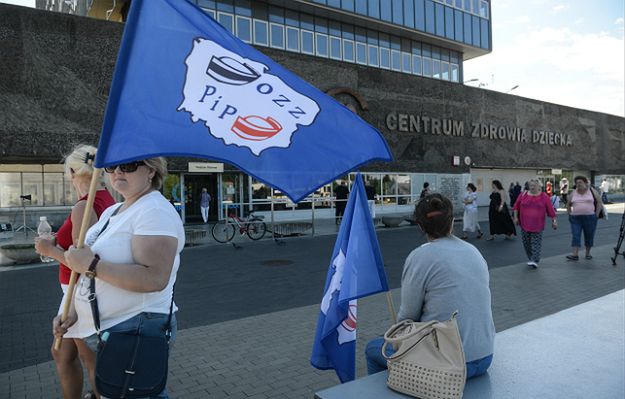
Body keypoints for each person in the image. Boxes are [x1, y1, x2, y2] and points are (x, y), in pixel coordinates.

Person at [55, 157, 185, 399]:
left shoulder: (154, 210)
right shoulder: (116, 210)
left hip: (136, 327)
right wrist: (72, 309)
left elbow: (154, 278)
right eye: (111, 166)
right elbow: (86, 270)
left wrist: (91, 264)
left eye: (128, 166)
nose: (116, 172)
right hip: (112, 328)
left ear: (151, 170)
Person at [365, 194, 495, 378]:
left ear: (420, 225)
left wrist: (394, 339)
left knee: (373, 348)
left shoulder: (420, 257)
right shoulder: (473, 251)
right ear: (451, 222)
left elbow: (407, 318)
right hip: (484, 356)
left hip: (448, 365)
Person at [34, 144, 115, 399]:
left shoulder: (83, 206)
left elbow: (86, 263)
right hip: (79, 289)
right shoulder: (108, 201)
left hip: (79, 290)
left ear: (72, 172)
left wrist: (49, 250)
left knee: (90, 359)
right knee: (62, 352)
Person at [512, 178, 557, 269]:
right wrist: (515, 217)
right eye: (531, 185)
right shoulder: (523, 194)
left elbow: (551, 211)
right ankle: (531, 258)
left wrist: (554, 221)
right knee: (526, 243)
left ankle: (534, 260)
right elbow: (516, 206)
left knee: (535, 243)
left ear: (539, 186)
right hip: (524, 224)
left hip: (537, 225)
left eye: (534, 185)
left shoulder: (544, 197)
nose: (532, 187)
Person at [566, 175, 604, 261]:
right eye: (577, 183)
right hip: (576, 219)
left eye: (580, 182)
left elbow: (599, 202)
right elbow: (568, 204)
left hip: (590, 218)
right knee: (575, 236)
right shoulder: (573, 193)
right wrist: (569, 214)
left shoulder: (592, 191)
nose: (578, 184)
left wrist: (596, 214)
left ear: (585, 183)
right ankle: (575, 255)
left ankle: (588, 253)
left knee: (589, 236)